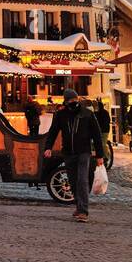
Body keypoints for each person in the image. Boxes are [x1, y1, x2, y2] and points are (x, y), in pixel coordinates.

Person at [43, 89, 105, 222]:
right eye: (71, 101)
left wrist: (100, 155)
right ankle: (79, 205)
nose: (73, 102)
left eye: (75, 100)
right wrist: (48, 147)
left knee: (82, 180)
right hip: (68, 152)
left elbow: (97, 134)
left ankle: (83, 211)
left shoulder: (87, 114)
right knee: (72, 180)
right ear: (66, 102)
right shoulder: (60, 115)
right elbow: (53, 131)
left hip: (84, 152)